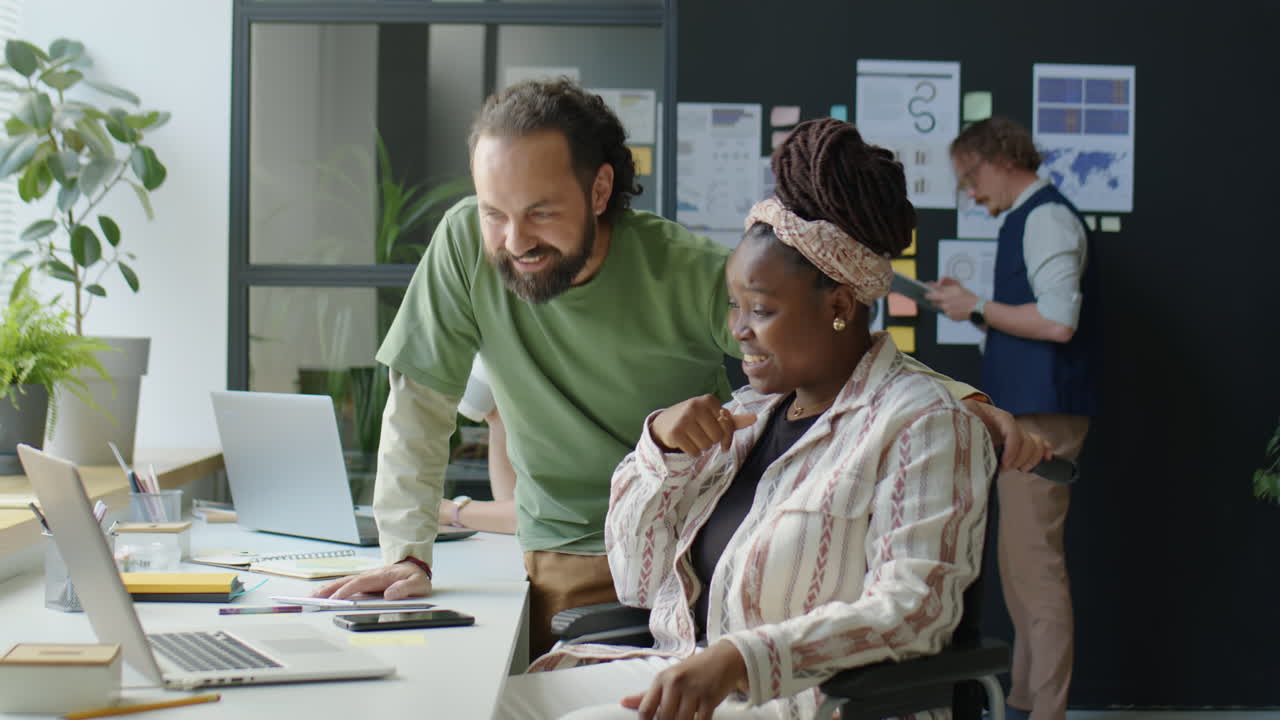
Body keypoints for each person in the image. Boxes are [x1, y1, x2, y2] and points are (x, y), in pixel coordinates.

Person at [314, 79, 1045, 658]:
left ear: (600, 191)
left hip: (679, 555)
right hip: (553, 551)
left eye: (539, 213)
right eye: (494, 212)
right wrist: (407, 555)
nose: (511, 240)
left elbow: (832, 350)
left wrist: (962, 400)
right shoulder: (465, 246)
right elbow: (419, 404)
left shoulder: (691, 272)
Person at [496, 117, 996, 720]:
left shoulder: (922, 423)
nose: (738, 330)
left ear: (839, 306)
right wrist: (660, 453)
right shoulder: (745, 417)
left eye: (760, 309)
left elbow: (916, 609)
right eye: (734, 305)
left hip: (802, 702)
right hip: (688, 673)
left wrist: (742, 658)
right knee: (494, 704)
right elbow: (637, 580)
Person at [927, 116, 1101, 720]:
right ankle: (1029, 701)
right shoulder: (1031, 218)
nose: (971, 194)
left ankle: (1043, 711)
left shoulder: (1046, 216)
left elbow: (1058, 323)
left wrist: (975, 305)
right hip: (1028, 415)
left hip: (1043, 417)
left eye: (970, 178)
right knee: (1021, 566)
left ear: (997, 159)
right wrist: (974, 313)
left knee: (1035, 567)